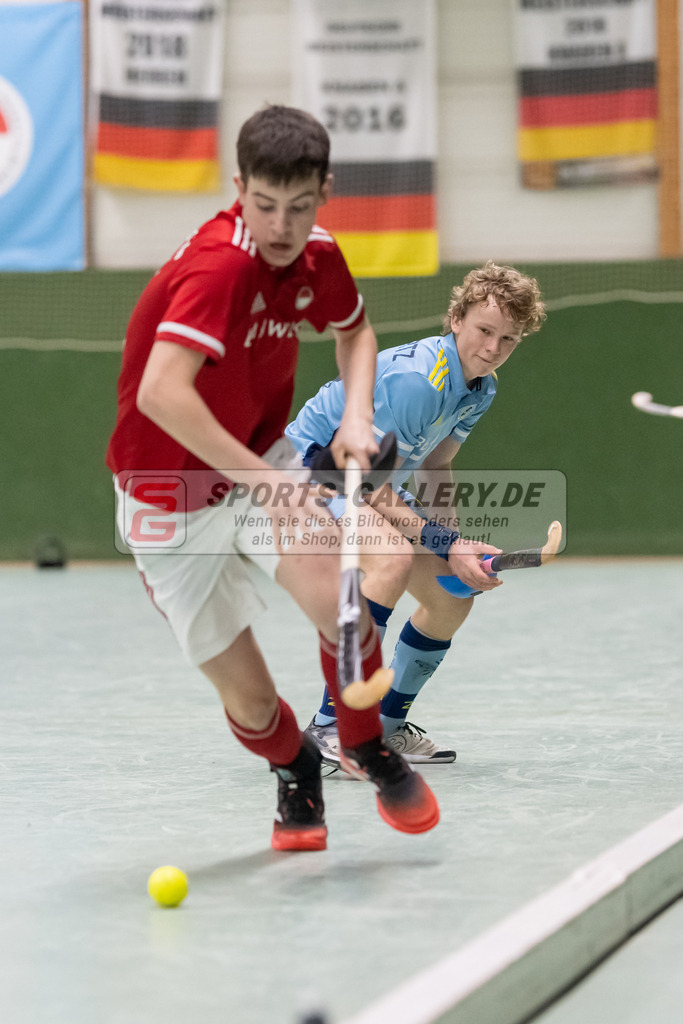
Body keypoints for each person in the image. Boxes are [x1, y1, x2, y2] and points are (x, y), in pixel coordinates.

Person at [106, 105, 439, 852]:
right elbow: (161, 393)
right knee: (252, 703)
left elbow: (355, 332)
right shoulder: (220, 268)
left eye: (298, 206)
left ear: (324, 192)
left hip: (257, 462)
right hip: (169, 498)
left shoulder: (317, 256)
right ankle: (296, 769)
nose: (280, 226)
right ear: (238, 189)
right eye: (263, 205)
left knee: (344, 610)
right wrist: (267, 482)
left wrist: (357, 417)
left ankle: (364, 744)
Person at [286, 261, 546, 767]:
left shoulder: (480, 388)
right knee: (390, 562)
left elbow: (436, 464)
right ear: (456, 319)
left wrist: (454, 546)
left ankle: (384, 728)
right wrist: (447, 543)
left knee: (451, 596)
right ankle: (330, 727)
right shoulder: (418, 382)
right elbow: (366, 482)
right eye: (484, 331)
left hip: (362, 485)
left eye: (508, 340)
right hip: (306, 474)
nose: (492, 349)